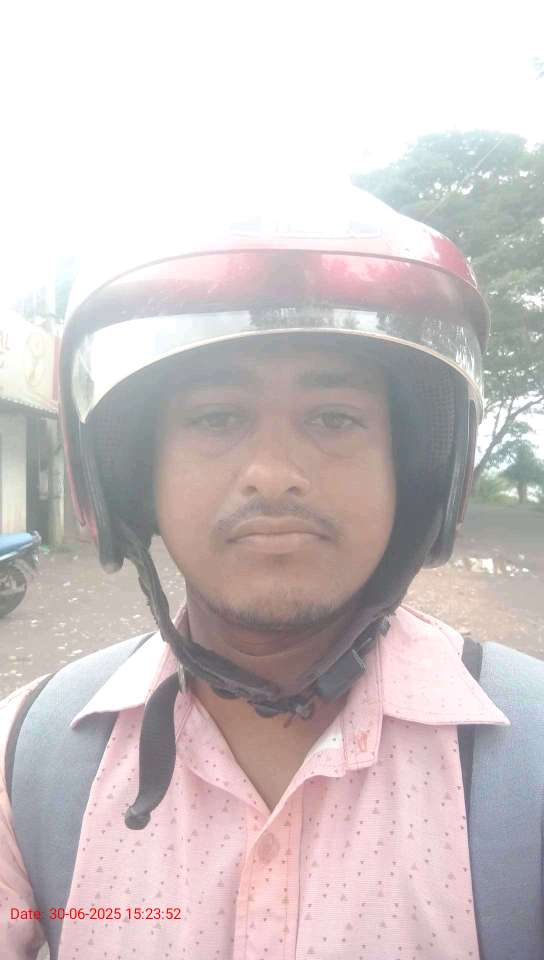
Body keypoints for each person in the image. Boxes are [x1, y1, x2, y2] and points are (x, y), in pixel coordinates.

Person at [0, 179, 523, 959]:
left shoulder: (528, 763)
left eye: (334, 418)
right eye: (217, 417)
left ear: (413, 472)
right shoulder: (27, 760)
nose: (274, 475)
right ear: (133, 477)